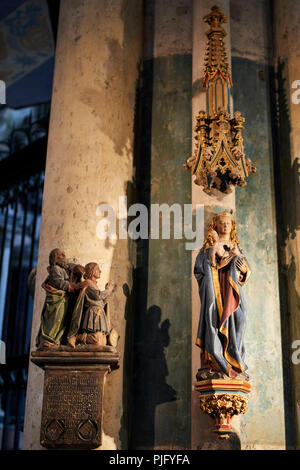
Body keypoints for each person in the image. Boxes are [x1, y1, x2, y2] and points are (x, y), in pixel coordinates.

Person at [194, 211, 251, 379]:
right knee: (214, 323)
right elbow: (202, 269)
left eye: (228, 223)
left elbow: (245, 269)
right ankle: (219, 363)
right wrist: (214, 249)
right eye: (221, 223)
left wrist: (242, 266)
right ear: (215, 226)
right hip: (216, 293)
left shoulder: (235, 247)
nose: (225, 225)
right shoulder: (209, 247)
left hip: (233, 294)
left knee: (240, 321)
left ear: (232, 226)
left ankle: (236, 361)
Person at [36, 248, 84, 349]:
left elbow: (72, 267)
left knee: (62, 320)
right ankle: (48, 340)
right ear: (55, 258)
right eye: (61, 255)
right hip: (56, 299)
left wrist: (77, 268)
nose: (64, 257)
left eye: (64, 254)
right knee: (55, 319)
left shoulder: (64, 268)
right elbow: (58, 282)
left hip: (63, 299)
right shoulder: (55, 269)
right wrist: (70, 286)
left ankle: (56, 340)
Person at [67, 262, 116, 347]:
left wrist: (108, 293)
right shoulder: (88, 283)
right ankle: (76, 338)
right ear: (92, 271)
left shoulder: (94, 284)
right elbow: (98, 295)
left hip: (99, 313)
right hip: (93, 313)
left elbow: (100, 301)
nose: (100, 271)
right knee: (96, 339)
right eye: (98, 269)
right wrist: (108, 290)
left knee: (102, 341)